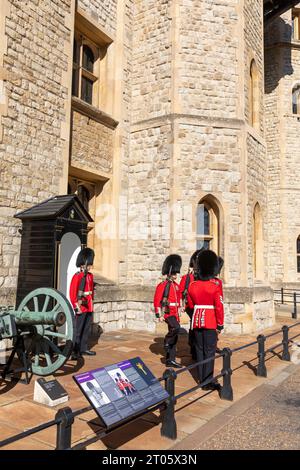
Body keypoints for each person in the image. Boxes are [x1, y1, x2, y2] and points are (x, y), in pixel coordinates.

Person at [187, 250, 224, 390]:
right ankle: (207, 381)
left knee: (200, 350)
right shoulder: (214, 287)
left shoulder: (192, 286)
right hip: (210, 321)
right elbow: (219, 308)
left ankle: (201, 378)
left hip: (196, 321)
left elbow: (190, 305)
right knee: (209, 351)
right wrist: (220, 325)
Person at [153, 254, 182, 368]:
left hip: (175, 313)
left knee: (175, 337)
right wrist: (158, 314)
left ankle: (170, 359)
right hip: (168, 312)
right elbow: (157, 300)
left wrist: (180, 308)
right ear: (170, 273)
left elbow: (179, 299)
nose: (176, 276)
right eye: (174, 273)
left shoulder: (176, 286)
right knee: (176, 328)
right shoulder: (162, 285)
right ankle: (166, 340)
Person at [69, 247, 96, 360]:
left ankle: (83, 348)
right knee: (78, 330)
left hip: (88, 306)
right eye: (88, 264)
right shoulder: (77, 276)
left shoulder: (90, 276)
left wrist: (91, 304)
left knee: (86, 329)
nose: (90, 266)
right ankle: (75, 351)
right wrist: (76, 307)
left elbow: (91, 292)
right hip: (81, 306)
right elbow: (72, 293)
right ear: (82, 264)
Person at [179, 249, 202, 360]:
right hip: (191, 306)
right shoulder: (187, 278)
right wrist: (182, 305)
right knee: (195, 326)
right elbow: (181, 291)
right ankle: (193, 347)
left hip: (201, 305)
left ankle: (197, 347)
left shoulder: (202, 277)